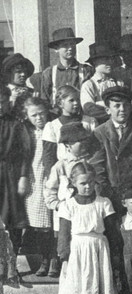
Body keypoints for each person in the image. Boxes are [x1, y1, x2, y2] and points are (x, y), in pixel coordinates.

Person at [57, 162, 117, 294]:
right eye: (83, 183)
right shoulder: (68, 206)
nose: (88, 186)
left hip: (99, 250)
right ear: (74, 183)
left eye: (91, 182)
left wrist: (115, 258)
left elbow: (113, 232)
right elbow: (64, 235)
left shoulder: (103, 203)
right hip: (78, 254)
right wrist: (64, 259)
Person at [44, 122, 94, 277]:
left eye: (86, 140)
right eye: (80, 141)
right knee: (68, 249)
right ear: (68, 145)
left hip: (87, 217)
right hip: (66, 217)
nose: (84, 144)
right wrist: (58, 205)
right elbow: (50, 190)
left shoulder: (89, 163)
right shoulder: (60, 166)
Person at [89, 86, 132, 213]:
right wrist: (105, 191)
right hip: (110, 192)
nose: (122, 110)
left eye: (126, 105)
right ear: (108, 110)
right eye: (117, 106)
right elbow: (97, 167)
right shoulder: (99, 132)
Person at [22, 97, 55, 277]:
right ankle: (44, 258)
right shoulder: (27, 132)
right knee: (38, 223)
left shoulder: (53, 128)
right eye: (34, 115)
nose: (39, 118)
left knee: (51, 222)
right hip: (32, 178)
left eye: (42, 113)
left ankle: (53, 259)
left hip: (49, 177)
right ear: (27, 116)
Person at [0, 85, 30, 283]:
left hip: (10, 174)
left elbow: (25, 153)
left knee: (13, 219)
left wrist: (22, 176)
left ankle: (12, 264)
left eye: (2, 101)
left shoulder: (16, 124)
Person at [42, 85, 98, 174]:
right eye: (71, 100)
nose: (76, 103)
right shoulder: (52, 126)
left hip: (86, 171)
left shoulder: (89, 122)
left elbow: (95, 149)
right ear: (60, 103)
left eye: (78, 100)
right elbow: (49, 157)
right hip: (64, 171)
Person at [40, 28, 93, 106]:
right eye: (65, 45)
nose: (70, 48)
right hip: (57, 115)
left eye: (72, 44)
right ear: (56, 49)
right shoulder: (49, 73)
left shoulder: (86, 70)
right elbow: (45, 101)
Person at [80, 42, 123, 124]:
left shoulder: (118, 82)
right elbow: (89, 109)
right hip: (97, 126)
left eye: (111, 59)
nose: (110, 62)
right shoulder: (89, 85)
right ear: (95, 61)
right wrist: (114, 112)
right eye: (106, 59)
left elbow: (128, 104)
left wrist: (99, 104)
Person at [1, 53, 35, 120]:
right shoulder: (2, 93)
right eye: (18, 72)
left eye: (25, 71)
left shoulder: (33, 93)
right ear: (9, 73)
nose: (23, 74)